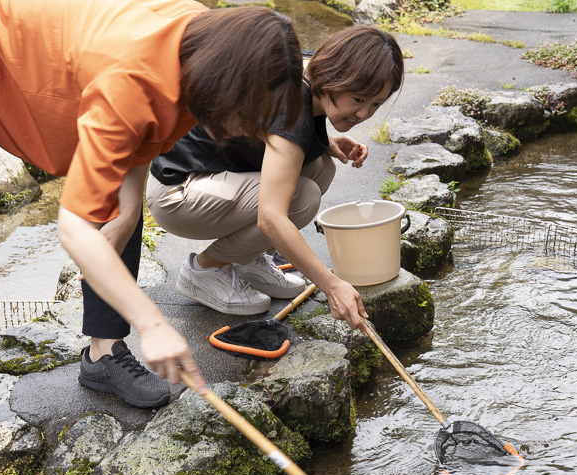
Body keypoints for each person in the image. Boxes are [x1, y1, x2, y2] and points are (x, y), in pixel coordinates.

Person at [0, 0, 304, 425]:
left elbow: (143, 133)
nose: (246, 131)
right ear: (223, 83)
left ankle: (104, 351)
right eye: (246, 116)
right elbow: (72, 227)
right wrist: (153, 324)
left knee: (115, 211)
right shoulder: (132, 75)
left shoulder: (205, 47)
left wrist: (128, 210)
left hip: (34, 57)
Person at [145, 25, 403, 330]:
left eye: (376, 104)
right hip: (179, 191)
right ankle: (204, 271)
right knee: (301, 197)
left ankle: (248, 259)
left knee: (321, 166)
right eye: (358, 99)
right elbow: (271, 217)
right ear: (336, 75)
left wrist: (323, 141)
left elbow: (272, 133)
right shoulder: (292, 107)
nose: (364, 114)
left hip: (216, 175)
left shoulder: (309, 72)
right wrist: (331, 285)